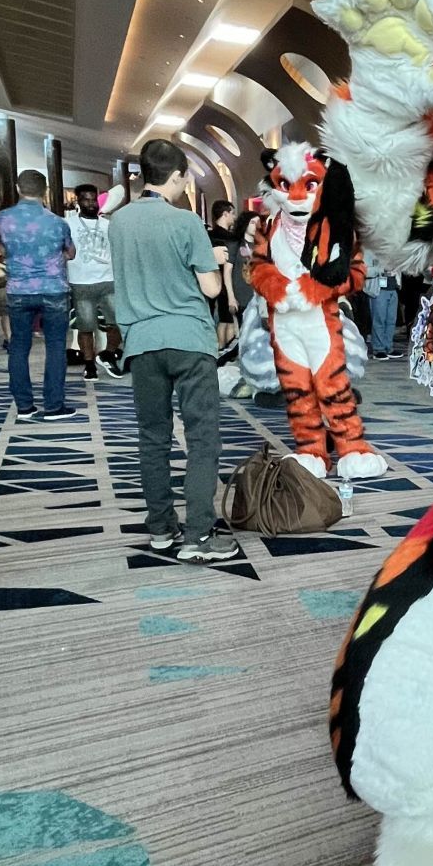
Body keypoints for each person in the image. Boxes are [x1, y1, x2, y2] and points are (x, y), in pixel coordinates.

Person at [108, 140, 237, 562]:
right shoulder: (186, 223)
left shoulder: (120, 222)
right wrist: (215, 259)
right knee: (202, 439)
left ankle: (161, 529)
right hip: (188, 339)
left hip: (141, 343)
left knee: (152, 439)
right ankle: (198, 536)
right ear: (178, 176)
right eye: (186, 179)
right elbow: (211, 288)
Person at [0, 169, 75, 422]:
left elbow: (1, 247)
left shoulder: (2, 218)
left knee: (19, 346)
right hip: (53, 288)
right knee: (55, 346)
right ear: (46, 192)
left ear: (19, 188)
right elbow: (70, 252)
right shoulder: (58, 222)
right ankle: (53, 406)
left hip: (18, 289)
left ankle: (24, 406)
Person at [65, 182, 124, 379]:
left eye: (93, 199)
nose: (91, 204)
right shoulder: (68, 224)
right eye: (86, 200)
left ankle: (107, 354)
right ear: (78, 201)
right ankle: (89, 364)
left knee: (117, 322)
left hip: (109, 280)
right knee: (86, 326)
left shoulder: (109, 224)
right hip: (81, 282)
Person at [207, 200, 239, 352]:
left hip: (209, 280)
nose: (234, 217)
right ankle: (223, 350)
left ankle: (218, 348)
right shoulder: (231, 239)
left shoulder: (207, 236)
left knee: (217, 317)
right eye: (232, 213)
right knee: (228, 318)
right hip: (226, 282)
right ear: (225, 214)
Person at [363, 246, 398, 360]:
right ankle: (378, 349)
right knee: (379, 320)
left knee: (391, 320)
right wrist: (381, 269)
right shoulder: (369, 249)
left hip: (393, 288)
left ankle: (388, 347)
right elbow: (363, 270)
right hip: (378, 290)